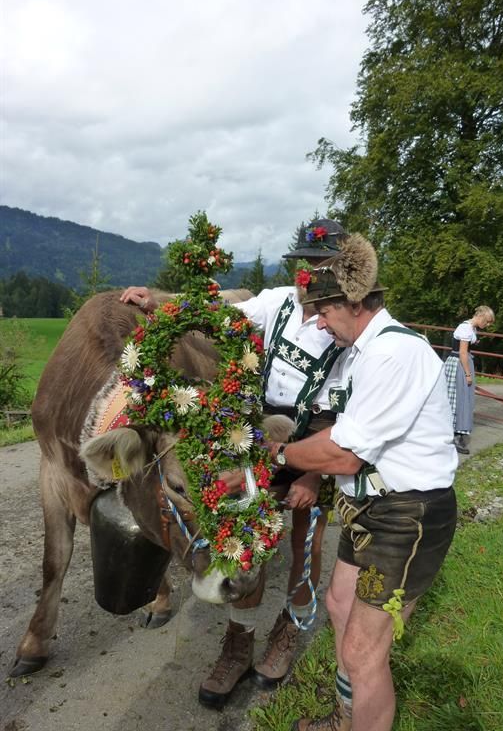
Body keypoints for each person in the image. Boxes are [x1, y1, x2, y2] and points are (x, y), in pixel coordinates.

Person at [219, 233, 459, 731]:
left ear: (351, 303)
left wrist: (276, 453)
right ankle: (344, 719)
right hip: (371, 511)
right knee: (338, 604)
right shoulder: (360, 350)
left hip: (407, 517)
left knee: (364, 651)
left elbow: (345, 455)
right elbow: (337, 427)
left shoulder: (393, 354)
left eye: (324, 314)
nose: (320, 325)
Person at [120, 218, 350, 707]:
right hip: (259, 433)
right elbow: (222, 311)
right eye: (305, 266)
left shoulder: (349, 323)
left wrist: (312, 470)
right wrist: (154, 301)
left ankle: (286, 630)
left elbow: (351, 407)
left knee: (306, 540)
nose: (310, 276)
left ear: (341, 270)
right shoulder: (281, 301)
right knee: (244, 533)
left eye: (321, 266)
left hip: (322, 441)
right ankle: (239, 643)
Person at [444, 305, 495, 454]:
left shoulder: (471, 328)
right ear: (480, 317)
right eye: (487, 321)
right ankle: (454, 434)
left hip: (463, 363)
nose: (488, 325)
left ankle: (458, 432)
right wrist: (467, 374)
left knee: (464, 398)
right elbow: (463, 353)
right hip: (459, 364)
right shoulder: (465, 329)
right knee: (458, 398)